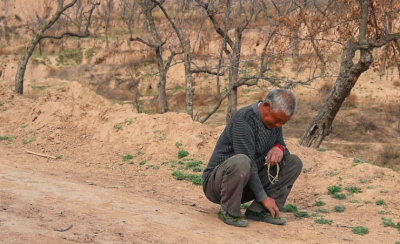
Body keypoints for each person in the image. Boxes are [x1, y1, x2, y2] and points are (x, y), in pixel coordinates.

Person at [202, 89, 303, 227]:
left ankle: (260, 211)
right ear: (266, 106)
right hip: (217, 185)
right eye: (278, 120)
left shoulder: (274, 122)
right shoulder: (243, 120)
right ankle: (229, 211)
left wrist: (279, 148)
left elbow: (283, 148)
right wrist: (264, 198)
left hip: (245, 183)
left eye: (283, 123)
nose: (279, 125)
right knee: (243, 161)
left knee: (294, 163)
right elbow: (248, 163)